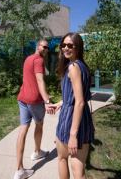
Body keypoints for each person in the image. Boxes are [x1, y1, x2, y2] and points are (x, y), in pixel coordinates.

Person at [52, 32, 95, 179]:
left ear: (78, 47)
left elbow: (80, 101)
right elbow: (78, 95)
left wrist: (72, 135)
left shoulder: (73, 67)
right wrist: (61, 102)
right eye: (63, 45)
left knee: (63, 159)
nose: (65, 48)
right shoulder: (83, 66)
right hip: (83, 118)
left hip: (71, 119)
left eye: (70, 45)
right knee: (79, 166)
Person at [14, 39, 55, 179]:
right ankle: (37, 152)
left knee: (23, 129)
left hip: (22, 98)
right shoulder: (38, 60)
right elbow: (39, 80)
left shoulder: (28, 59)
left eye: (48, 48)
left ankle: (19, 170)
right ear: (38, 46)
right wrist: (47, 101)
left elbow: (28, 78)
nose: (46, 49)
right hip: (34, 100)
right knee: (39, 124)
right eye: (44, 47)